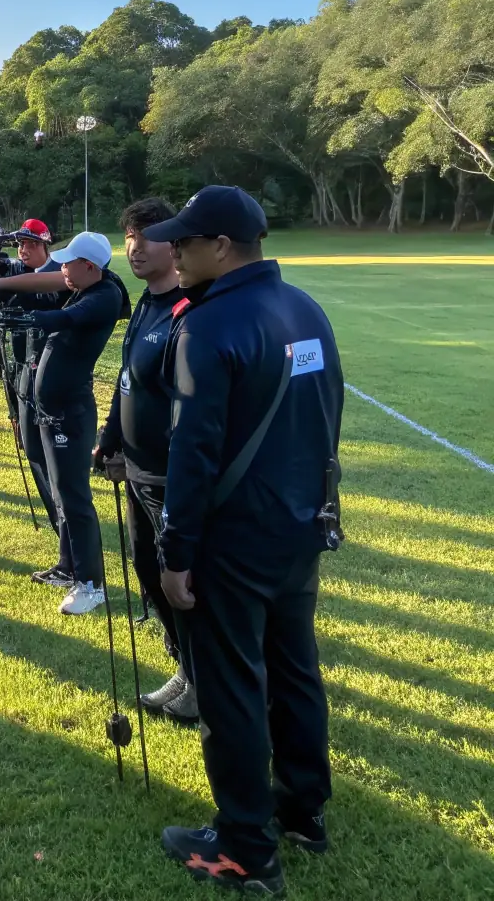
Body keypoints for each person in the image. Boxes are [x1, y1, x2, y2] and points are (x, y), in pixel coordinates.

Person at [143, 186, 344, 896]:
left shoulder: (210, 322)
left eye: (186, 241)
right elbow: (328, 417)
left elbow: (190, 455)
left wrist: (176, 556)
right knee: (293, 670)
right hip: (299, 529)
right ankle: (304, 810)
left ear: (222, 247)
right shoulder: (305, 308)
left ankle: (244, 845)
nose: (173, 250)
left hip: (233, 542)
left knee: (231, 688)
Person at [93, 197, 198, 723]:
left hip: (170, 474)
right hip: (135, 469)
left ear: (175, 243)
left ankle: (201, 681)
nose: (134, 248)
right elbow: (126, 379)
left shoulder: (191, 306)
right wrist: (110, 437)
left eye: (147, 236)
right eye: (129, 236)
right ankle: (183, 667)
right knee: (147, 571)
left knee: (179, 578)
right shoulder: (145, 302)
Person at [0, 231, 125, 615]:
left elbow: (66, 318)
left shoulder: (103, 297)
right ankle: (69, 567)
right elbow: (49, 289)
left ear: (89, 266)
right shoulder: (82, 287)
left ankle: (91, 584)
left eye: (68, 263)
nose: (62, 268)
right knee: (62, 491)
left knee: (75, 497)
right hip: (53, 412)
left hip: (71, 413)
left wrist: (27, 318)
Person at [0, 218, 74, 586]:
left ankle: (70, 545)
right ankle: (62, 540)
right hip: (18, 378)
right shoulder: (13, 274)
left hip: (50, 379)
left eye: (31, 244)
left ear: (46, 245)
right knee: (33, 454)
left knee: (56, 468)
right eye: (20, 245)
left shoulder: (63, 275)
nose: (23, 251)